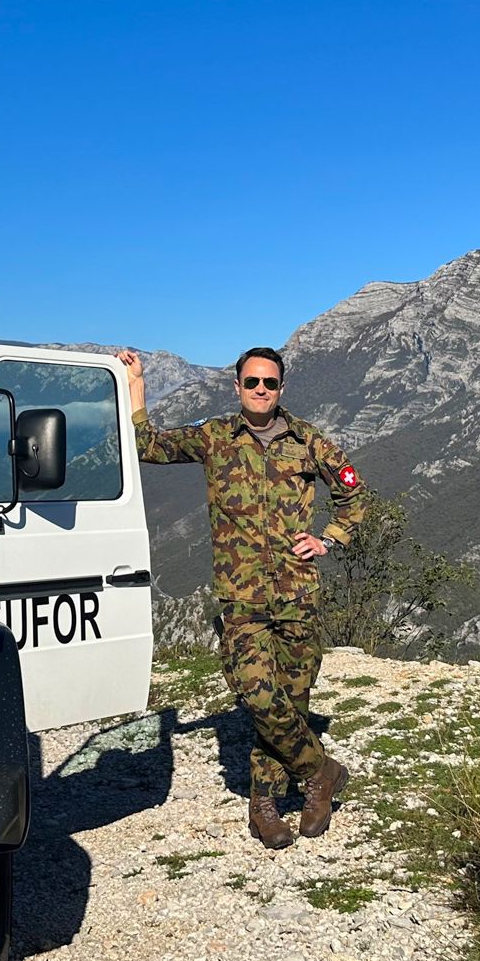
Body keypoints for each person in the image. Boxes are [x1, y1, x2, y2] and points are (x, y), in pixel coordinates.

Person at [118, 345, 366, 849]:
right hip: (242, 598)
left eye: (269, 383)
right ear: (236, 387)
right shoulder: (215, 437)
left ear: (281, 389)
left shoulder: (308, 441)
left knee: (292, 701)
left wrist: (330, 537)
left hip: (298, 595)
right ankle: (321, 771)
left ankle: (268, 805)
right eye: (251, 382)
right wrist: (136, 385)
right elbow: (149, 446)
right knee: (257, 695)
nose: (260, 390)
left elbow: (353, 491)